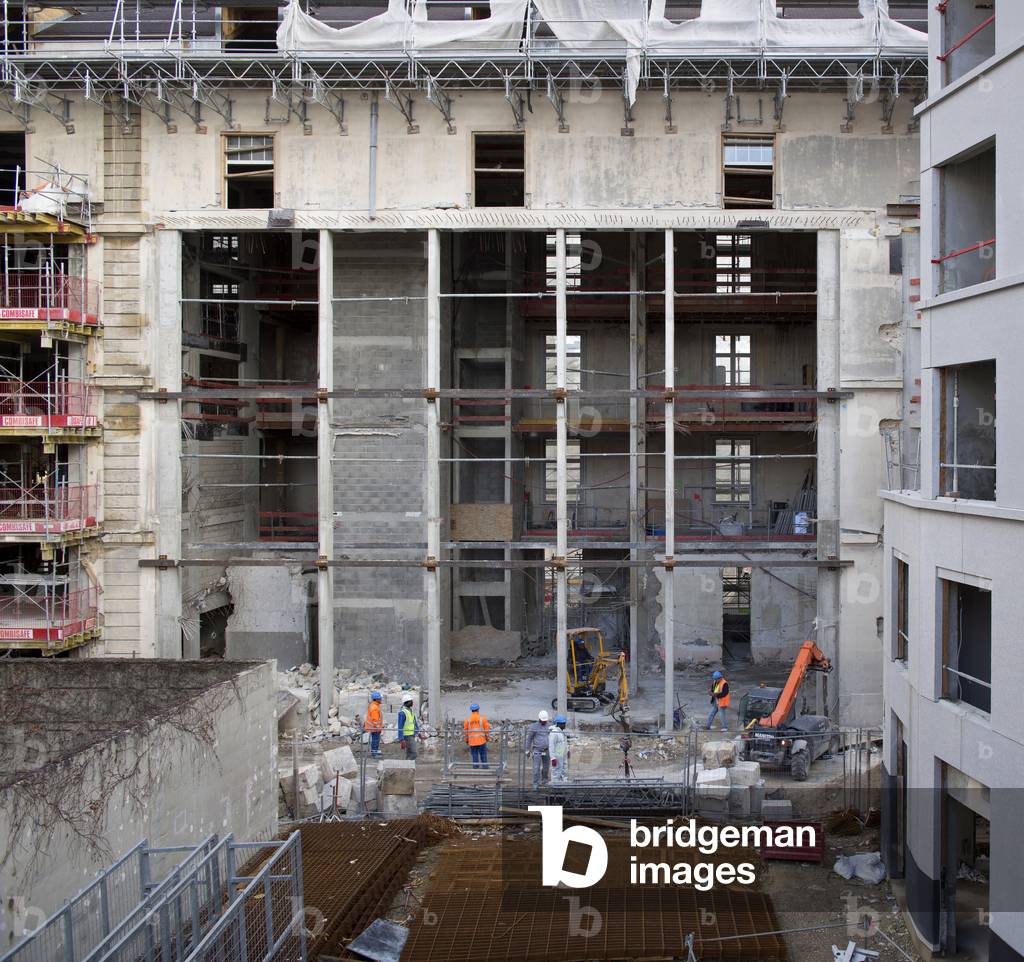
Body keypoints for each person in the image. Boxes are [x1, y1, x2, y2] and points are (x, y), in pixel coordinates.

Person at [525, 709, 552, 790]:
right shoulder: (534, 727)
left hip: (546, 750)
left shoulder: (549, 726)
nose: (544, 722)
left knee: (546, 767)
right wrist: (527, 750)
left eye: (545, 720)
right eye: (543, 720)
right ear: (539, 719)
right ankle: (535, 783)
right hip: (537, 750)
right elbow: (529, 739)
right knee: (536, 768)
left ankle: (544, 780)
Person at [463, 702, 490, 769]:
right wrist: (487, 738)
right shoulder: (483, 719)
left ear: (471, 710)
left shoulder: (467, 720)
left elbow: (465, 732)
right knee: (483, 754)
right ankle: (485, 766)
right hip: (481, 740)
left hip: (472, 741)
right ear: (478, 710)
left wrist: (466, 740)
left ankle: (475, 767)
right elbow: (486, 730)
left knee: (474, 754)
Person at [397, 693, 420, 760]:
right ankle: (407, 764)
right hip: (407, 736)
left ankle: (407, 764)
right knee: (414, 753)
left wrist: (418, 732)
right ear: (406, 702)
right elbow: (400, 726)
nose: (412, 702)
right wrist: (401, 739)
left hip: (412, 734)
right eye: (411, 701)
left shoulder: (410, 711)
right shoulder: (402, 713)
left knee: (409, 753)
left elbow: (414, 722)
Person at [548, 714, 569, 784]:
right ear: (559, 724)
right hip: (557, 754)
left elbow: (564, 742)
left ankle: (564, 784)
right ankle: (555, 784)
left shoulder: (562, 731)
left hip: (563, 753)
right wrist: (553, 758)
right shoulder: (554, 732)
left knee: (564, 769)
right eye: (563, 723)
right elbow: (551, 746)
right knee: (557, 770)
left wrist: (567, 750)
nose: (565, 725)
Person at [364, 691, 384, 757]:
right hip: (375, 728)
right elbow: (375, 720)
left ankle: (375, 752)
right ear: (376, 699)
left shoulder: (374, 705)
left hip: (374, 727)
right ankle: (374, 753)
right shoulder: (374, 708)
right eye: (380, 698)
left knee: (376, 740)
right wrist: (378, 728)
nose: (381, 699)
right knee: (375, 740)